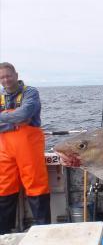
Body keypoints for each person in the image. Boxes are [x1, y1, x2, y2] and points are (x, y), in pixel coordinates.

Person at [0, 62, 51, 234]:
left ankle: (44, 232)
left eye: (8, 75)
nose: (5, 79)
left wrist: (6, 118)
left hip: (29, 149)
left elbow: (25, 114)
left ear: (16, 74)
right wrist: (14, 123)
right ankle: (4, 234)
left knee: (36, 186)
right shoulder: (0, 95)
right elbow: (20, 118)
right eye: (2, 77)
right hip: (4, 151)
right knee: (4, 189)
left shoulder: (30, 92)